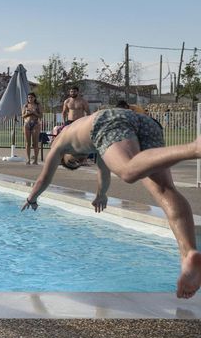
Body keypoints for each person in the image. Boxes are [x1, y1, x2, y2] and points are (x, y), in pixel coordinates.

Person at [20, 107, 201, 299]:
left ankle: (194, 148)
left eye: (71, 161)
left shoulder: (59, 144)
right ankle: (188, 255)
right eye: (77, 164)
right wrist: (101, 194)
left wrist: (32, 197)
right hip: (141, 121)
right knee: (164, 189)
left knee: (127, 171)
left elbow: (43, 178)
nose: (78, 160)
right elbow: (103, 171)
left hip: (107, 121)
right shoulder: (98, 144)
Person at [22, 92, 42, 165]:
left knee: (35, 143)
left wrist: (34, 112)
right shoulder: (25, 105)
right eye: (29, 97)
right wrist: (27, 113)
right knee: (27, 143)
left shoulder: (38, 105)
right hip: (27, 124)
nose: (30, 99)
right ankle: (28, 159)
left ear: (34, 98)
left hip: (35, 124)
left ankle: (36, 160)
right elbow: (22, 116)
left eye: (31, 97)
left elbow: (41, 115)